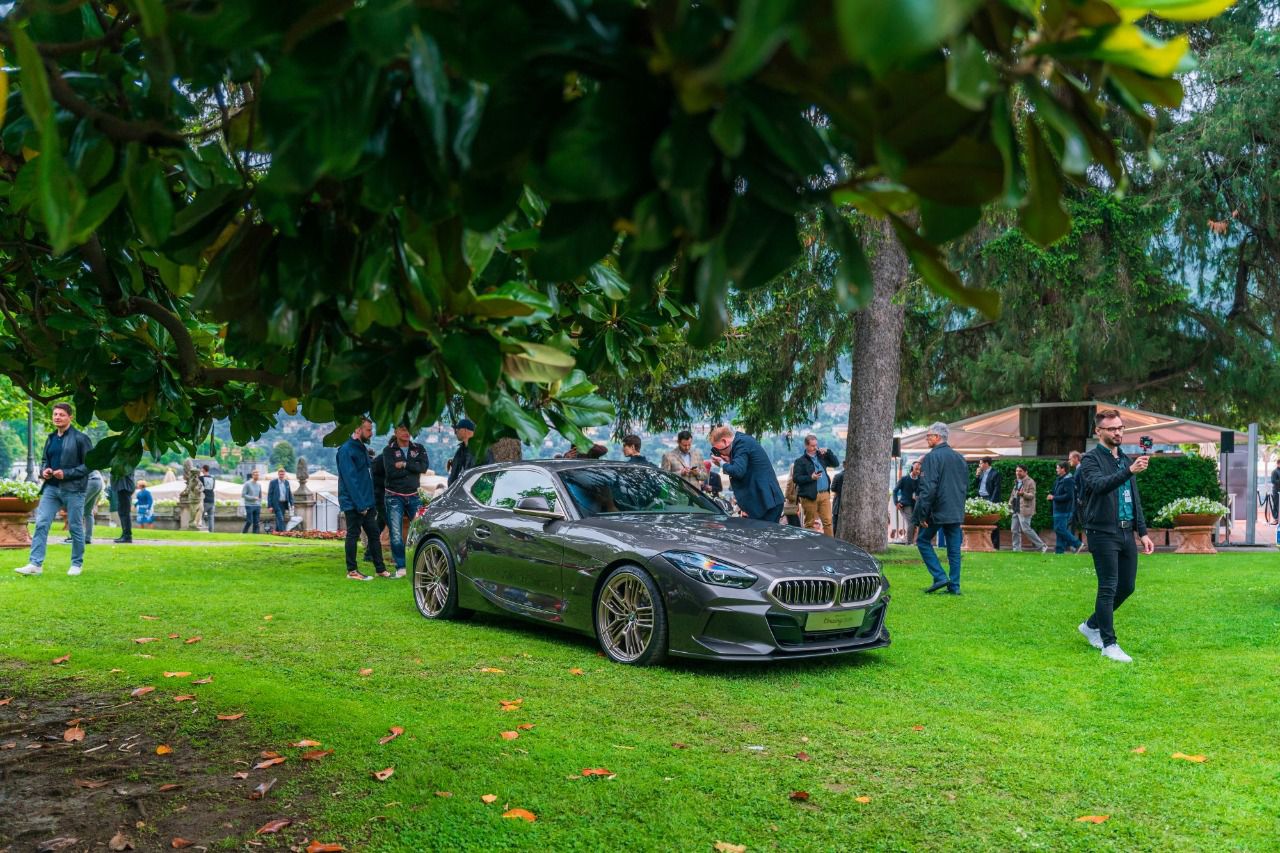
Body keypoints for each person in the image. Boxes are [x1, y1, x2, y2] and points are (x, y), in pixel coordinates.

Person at [1076, 408, 1154, 664]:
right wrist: (1129, 471)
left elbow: (1135, 500)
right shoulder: (1090, 460)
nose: (1118, 432)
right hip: (1101, 532)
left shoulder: (1125, 459)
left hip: (1125, 531)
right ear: (1099, 431)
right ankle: (1109, 644)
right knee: (1108, 587)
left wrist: (1142, 532)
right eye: (1112, 429)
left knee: (1127, 586)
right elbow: (1099, 485)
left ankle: (1090, 625)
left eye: (1120, 428)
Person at [14, 402, 94, 577]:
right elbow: (44, 460)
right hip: (51, 488)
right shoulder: (50, 438)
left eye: (62, 415)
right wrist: (45, 470)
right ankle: (35, 564)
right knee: (41, 523)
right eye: (55, 414)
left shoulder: (81, 439)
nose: (57, 417)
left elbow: (89, 465)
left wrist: (66, 473)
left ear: (70, 418)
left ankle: (76, 564)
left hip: (74, 490)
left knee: (75, 527)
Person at [912, 422, 967, 595]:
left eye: (928, 436)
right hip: (955, 509)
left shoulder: (931, 457)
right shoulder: (960, 458)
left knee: (922, 541)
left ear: (937, 437)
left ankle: (940, 576)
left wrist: (922, 515)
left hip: (938, 509)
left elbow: (928, 488)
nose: (926, 439)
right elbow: (964, 485)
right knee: (954, 549)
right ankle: (954, 586)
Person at [337, 417, 387, 580]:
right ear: (358, 430)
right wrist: (360, 505)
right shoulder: (345, 450)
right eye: (368, 430)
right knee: (353, 533)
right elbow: (351, 480)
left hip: (367, 501)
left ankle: (380, 569)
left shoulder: (361, 448)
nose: (371, 433)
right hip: (354, 502)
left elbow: (366, 476)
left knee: (373, 534)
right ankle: (352, 571)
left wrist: (368, 502)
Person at [709, 425, 784, 522]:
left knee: (763, 535)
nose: (719, 453)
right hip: (764, 502)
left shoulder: (741, 443)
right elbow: (743, 467)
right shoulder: (742, 441)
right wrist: (729, 462)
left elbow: (738, 471)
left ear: (725, 441)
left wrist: (722, 464)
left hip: (767, 502)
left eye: (718, 450)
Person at [383, 424, 429, 578]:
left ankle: (421, 562)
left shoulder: (418, 448)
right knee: (395, 533)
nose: (406, 433)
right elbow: (390, 473)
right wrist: (412, 468)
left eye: (408, 430)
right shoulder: (388, 450)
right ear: (395, 432)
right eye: (402, 430)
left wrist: (403, 465)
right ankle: (401, 566)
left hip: (413, 495)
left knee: (421, 529)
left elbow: (423, 467)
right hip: (394, 495)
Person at [793, 435, 839, 536]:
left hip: (824, 495)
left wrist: (828, 452)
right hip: (809, 497)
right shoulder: (800, 461)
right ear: (806, 446)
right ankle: (810, 548)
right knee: (809, 524)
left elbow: (836, 464)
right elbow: (796, 478)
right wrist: (811, 477)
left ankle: (830, 547)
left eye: (816, 445)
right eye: (812, 446)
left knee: (828, 522)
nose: (815, 448)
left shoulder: (821, 457)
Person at [1009, 464, 1049, 553]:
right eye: (1016, 471)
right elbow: (1013, 494)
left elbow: (1032, 495)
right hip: (1015, 509)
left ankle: (1042, 546)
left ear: (1025, 472)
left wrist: (1023, 494)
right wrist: (1010, 502)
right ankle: (1017, 549)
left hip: (1025, 509)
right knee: (1014, 530)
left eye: (1020, 471)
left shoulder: (1030, 482)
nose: (1017, 473)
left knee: (1026, 529)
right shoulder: (1017, 481)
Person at [1049, 461, 1084, 554]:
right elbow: (1056, 492)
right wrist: (1051, 496)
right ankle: (1059, 551)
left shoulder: (1068, 480)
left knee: (1059, 529)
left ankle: (1077, 543)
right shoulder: (1059, 479)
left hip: (1064, 510)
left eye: (1057, 468)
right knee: (1059, 529)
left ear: (1063, 469)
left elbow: (1069, 496)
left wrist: (1054, 497)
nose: (1056, 470)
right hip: (1057, 509)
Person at [366, 438, 391, 565]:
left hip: (382, 496)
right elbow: (375, 479)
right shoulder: (381, 460)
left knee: (379, 526)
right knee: (392, 525)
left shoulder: (385, 459)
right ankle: (400, 556)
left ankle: (369, 553)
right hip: (379, 496)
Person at [65, 470, 104, 546]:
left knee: (77, 509)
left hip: (90, 481)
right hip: (98, 481)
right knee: (88, 511)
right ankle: (87, 538)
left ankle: (75, 537)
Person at [975, 457, 1003, 550]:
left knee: (993, 523)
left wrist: (992, 503)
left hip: (990, 499)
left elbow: (996, 489)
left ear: (986, 464)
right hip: (982, 499)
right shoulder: (982, 474)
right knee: (982, 522)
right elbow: (977, 486)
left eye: (981, 463)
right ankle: (983, 544)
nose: (979, 465)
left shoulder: (995, 473)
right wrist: (977, 476)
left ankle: (995, 545)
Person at [895, 460, 922, 546]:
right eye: (916, 469)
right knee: (911, 522)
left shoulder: (921, 481)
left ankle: (914, 542)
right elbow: (895, 491)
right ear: (912, 469)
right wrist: (896, 502)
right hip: (905, 504)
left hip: (916, 505)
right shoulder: (904, 479)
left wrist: (918, 496)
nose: (917, 471)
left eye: (919, 470)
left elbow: (921, 491)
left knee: (916, 523)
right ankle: (909, 542)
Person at [447, 418, 477, 486]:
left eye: (458, 429)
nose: (455, 432)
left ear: (465, 430)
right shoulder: (460, 451)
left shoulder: (481, 451)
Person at [267, 467, 294, 532]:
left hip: (284, 504)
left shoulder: (287, 482)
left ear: (284, 474)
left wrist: (292, 504)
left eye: (283, 474)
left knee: (279, 519)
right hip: (276, 504)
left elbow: (289, 494)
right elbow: (270, 494)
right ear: (278, 474)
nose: (281, 476)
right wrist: (270, 506)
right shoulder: (273, 482)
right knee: (280, 518)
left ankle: (277, 532)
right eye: (280, 474)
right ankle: (284, 533)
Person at [113, 468, 136, 543]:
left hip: (124, 487)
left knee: (124, 513)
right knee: (123, 512)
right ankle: (125, 535)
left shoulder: (126, 461)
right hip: (124, 487)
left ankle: (127, 536)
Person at [783, 463, 802, 527]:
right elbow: (787, 495)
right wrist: (797, 498)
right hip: (790, 509)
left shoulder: (795, 480)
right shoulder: (791, 480)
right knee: (796, 528)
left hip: (793, 508)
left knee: (797, 527)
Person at [200, 464, 216, 533]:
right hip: (212, 499)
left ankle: (203, 530)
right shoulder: (213, 478)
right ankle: (211, 532)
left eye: (201, 468)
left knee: (200, 516)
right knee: (211, 518)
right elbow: (213, 488)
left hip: (204, 500)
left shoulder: (200, 478)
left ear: (203, 469)